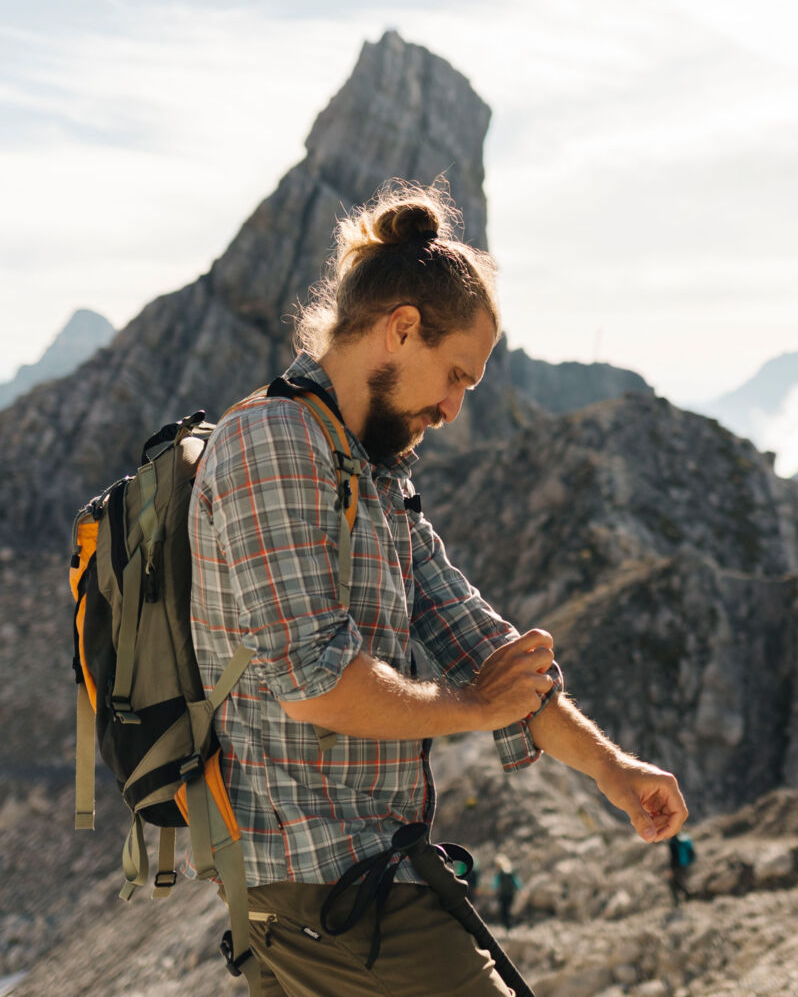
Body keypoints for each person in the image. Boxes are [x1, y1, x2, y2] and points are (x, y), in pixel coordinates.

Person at [189, 180, 688, 996]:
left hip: (349, 879)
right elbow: (317, 686)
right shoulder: (272, 444)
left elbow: (481, 644)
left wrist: (612, 770)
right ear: (402, 329)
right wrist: (473, 712)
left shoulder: (373, 475)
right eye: (455, 375)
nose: (455, 407)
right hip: (322, 880)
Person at [493, 855, 521, 931]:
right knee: (508, 910)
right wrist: (520, 889)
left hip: (503, 895)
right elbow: (516, 882)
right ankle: (509, 927)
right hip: (510, 894)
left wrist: (493, 890)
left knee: (504, 911)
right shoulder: (510, 872)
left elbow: (495, 883)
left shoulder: (501, 873)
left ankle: (507, 927)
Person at [667, 831, 695, 906]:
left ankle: (677, 901)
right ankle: (687, 895)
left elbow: (673, 857)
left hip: (676, 866)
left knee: (673, 883)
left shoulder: (673, 842)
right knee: (682, 881)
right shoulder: (683, 840)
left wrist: (671, 869)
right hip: (685, 864)